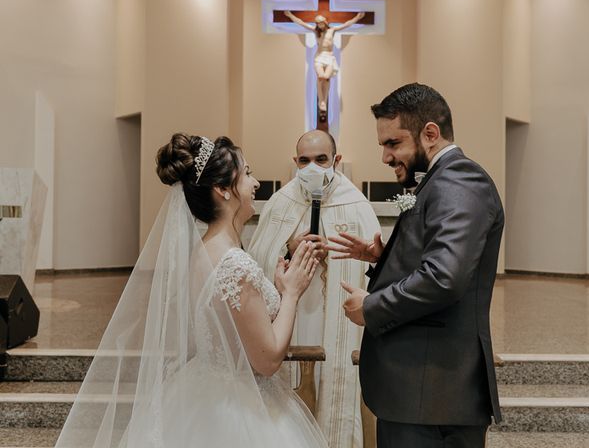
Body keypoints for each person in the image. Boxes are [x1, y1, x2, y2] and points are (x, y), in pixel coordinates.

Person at [55, 134, 328, 448]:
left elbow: (233, 334)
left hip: (202, 393)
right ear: (223, 190)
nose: (255, 184)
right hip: (238, 411)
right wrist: (292, 293)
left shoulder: (203, 252)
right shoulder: (234, 264)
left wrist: (278, 291)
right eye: (248, 173)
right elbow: (266, 361)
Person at [329, 83, 503, 448]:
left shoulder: (459, 180)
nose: (386, 157)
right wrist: (386, 257)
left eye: (393, 144)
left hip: (433, 394)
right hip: (421, 394)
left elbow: (444, 277)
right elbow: (439, 259)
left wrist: (371, 307)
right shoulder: (441, 181)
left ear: (430, 133)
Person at [248, 130, 380, 448]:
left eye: (321, 160)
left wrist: (332, 255)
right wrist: (289, 247)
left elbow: (373, 266)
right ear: (295, 162)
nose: (312, 168)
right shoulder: (282, 202)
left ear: (336, 161)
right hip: (292, 319)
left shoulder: (356, 204)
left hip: (334, 315)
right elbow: (255, 261)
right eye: (304, 160)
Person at [284, 10, 365, 119]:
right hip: (319, 57)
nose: (319, 25)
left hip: (330, 57)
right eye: (317, 23)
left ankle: (323, 101)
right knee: (321, 77)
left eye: (321, 22)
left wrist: (357, 18)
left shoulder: (332, 30)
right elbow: (301, 23)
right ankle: (322, 103)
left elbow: (346, 24)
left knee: (326, 78)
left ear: (325, 22)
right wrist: (290, 15)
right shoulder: (315, 31)